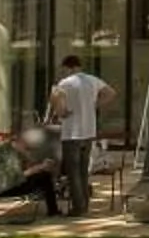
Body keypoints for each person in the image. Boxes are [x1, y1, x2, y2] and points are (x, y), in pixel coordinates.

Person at [45, 52, 116, 217]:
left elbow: (59, 107)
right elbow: (111, 93)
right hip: (89, 131)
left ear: (69, 68)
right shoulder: (92, 80)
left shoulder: (65, 83)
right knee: (84, 170)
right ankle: (84, 204)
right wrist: (95, 105)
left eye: (64, 70)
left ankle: (78, 206)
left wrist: (62, 113)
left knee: (73, 171)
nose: (63, 73)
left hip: (71, 133)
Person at [0, 125, 65, 221]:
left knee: (42, 174)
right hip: (8, 188)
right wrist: (39, 167)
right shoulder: (10, 157)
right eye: (25, 145)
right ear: (17, 141)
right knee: (45, 176)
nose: (27, 148)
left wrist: (33, 163)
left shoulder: (1, 150)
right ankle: (53, 211)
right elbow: (17, 177)